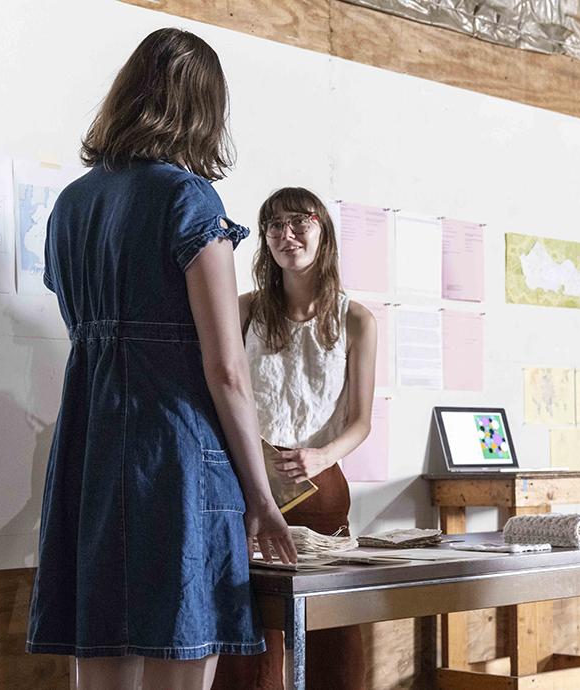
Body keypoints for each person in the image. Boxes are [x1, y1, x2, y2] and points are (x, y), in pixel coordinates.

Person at [27, 28, 296, 690]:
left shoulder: (70, 206)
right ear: (204, 110)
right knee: (182, 637)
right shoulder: (189, 199)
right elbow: (226, 368)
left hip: (91, 453)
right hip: (176, 457)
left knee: (102, 645)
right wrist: (262, 497)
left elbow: (85, 330)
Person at [212, 187, 379, 689]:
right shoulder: (244, 310)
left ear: (322, 229)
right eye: (274, 226)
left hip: (321, 489)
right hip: (248, 487)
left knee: (333, 641)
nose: (287, 235)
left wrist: (322, 456)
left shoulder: (356, 320)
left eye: (299, 222)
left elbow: (361, 421)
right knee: (249, 643)